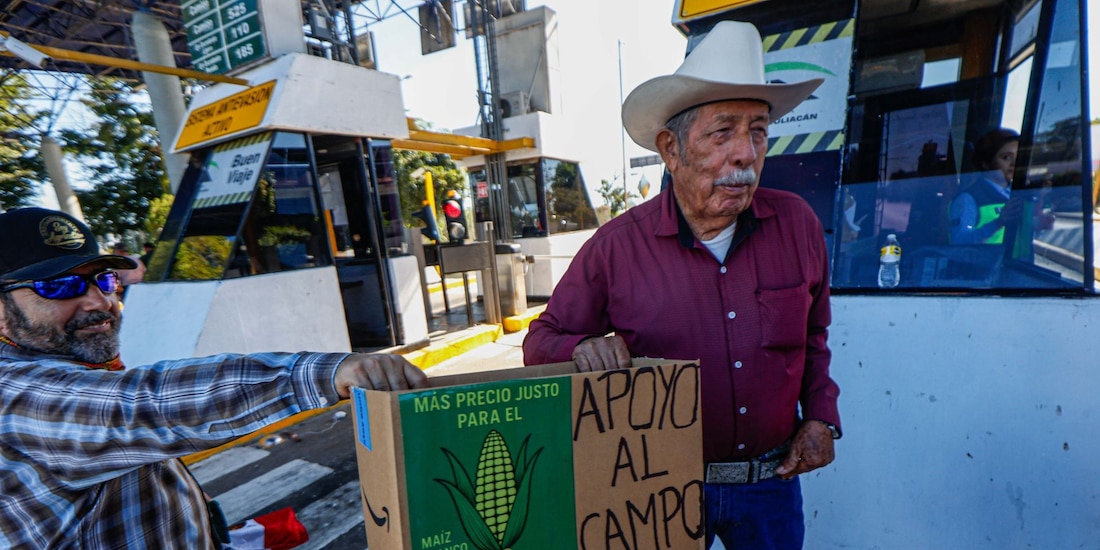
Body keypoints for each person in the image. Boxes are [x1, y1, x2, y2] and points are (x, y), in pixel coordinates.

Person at [523, 21, 841, 549]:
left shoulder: (798, 224)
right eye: (723, 133)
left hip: (771, 486)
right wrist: (581, 349)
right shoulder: (617, 247)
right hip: (659, 488)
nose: (746, 153)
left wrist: (822, 418)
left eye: (758, 131)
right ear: (671, 149)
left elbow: (814, 339)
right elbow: (541, 342)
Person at [0, 207, 429, 548]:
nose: (100, 301)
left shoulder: (71, 365)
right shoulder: (15, 397)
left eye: (105, 279)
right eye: (58, 287)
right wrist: (325, 372)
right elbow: (141, 405)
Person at [949, 128, 1023, 245]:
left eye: (1018, 157)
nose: (1014, 164)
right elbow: (960, 242)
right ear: (986, 163)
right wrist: (998, 223)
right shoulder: (967, 199)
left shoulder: (1019, 194)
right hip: (983, 263)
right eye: (1006, 157)